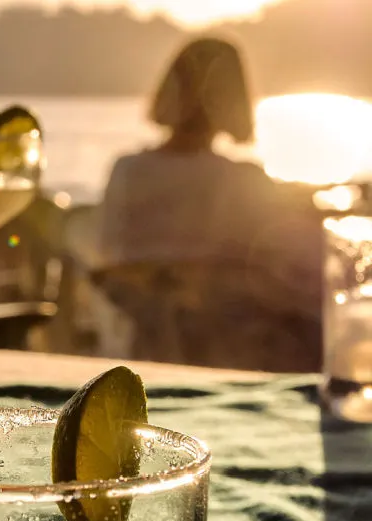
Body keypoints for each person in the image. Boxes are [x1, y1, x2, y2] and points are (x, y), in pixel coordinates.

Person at [90, 37, 323, 370]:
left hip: (146, 345)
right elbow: (292, 267)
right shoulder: (242, 181)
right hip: (233, 351)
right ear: (234, 99)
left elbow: (109, 256)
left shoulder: (127, 170)